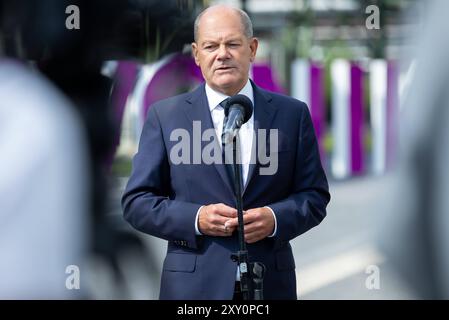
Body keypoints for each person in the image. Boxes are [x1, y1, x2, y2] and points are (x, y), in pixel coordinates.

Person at [122, 4, 330, 300]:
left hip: (270, 285)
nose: (222, 54)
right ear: (196, 54)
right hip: (192, 291)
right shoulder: (165, 117)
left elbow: (314, 195)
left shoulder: (292, 115)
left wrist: (274, 218)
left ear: (252, 48)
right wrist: (196, 218)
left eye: (232, 44)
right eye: (211, 46)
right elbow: (137, 202)